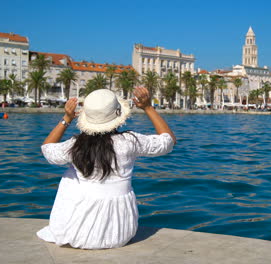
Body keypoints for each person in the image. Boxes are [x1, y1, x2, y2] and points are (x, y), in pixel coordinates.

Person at [37, 87, 176, 249]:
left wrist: (66, 119)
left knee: (71, 174)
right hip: (120, 233)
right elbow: (169, 141)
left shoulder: (75, 146)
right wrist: (148, 107)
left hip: (77, 232)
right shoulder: (130, 142)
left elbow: (47, 149)